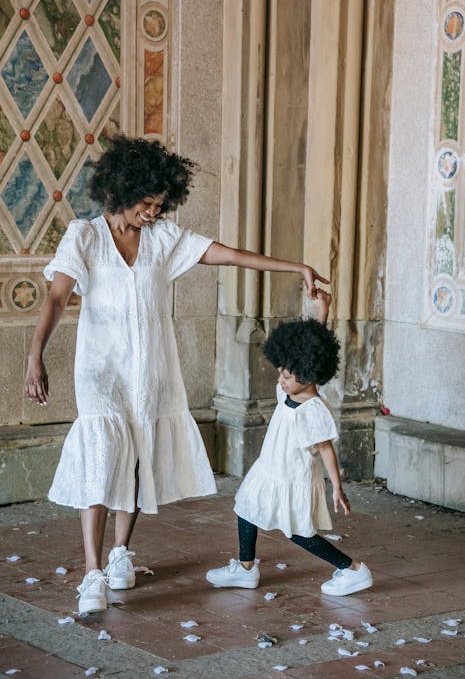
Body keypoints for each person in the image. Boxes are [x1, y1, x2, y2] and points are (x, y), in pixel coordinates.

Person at [24, 135, 328, 615]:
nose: (151, 213)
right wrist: (34, 355)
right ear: (123, 191)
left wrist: (296, 268)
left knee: (139, 456)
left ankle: (121, 553)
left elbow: (227, 254)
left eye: (159, 205)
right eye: (146, 203)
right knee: (102, 458)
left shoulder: (162, 240)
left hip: (150, 371)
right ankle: (91, 573)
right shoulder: (83, 237)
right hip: (99, 373)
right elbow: (58, 298)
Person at [206, 289, 373, 597]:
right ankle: (245, 569)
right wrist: (323, 310)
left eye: (287, 377)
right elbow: (312, 347)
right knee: (246, 507)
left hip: (291, 477)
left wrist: (337, 487)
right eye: (281, 374)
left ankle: (352, 570)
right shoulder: (290, 391)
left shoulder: (312, 410)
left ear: (309, 376)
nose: (280, 381)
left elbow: (325, 449)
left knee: (299, 532)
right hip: (270, 468)